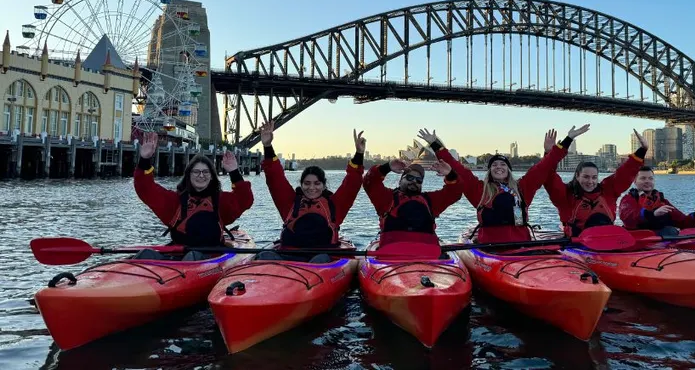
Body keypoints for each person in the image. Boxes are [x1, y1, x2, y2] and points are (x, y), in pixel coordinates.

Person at [417, 125, 590, 243]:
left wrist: (567, 139)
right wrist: (435, 144)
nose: (498, 167)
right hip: (489, 249)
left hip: (520, 246)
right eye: (494, 165)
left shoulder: (523, 187)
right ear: (489, 171)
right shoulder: (479, 190)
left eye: (502, 165)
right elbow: (457, 168)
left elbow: (545, 166)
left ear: (508, 169)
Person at [133, 132, 254, 260]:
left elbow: (245, 200)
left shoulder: (221, 201)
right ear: (188, 176)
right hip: (180, 259)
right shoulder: (175, 202)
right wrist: (144, 160)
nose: (201, 176)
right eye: (196, 172)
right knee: (145, 254)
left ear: (212, 176)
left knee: (194, 256)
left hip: (210, 258)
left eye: (205, 172)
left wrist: (234, 173)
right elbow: (145, 189)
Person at [258, 121, 366, 262]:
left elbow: (352, 183)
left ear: (323, 185)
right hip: (289, 256)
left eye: (317, 183)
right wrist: (267, 146)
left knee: (320, 260)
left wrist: (359, 154)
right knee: (264, 256)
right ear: (301, 185)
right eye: (307, 183)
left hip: (321, 258)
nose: (312, 187)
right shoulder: (290, 202)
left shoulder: (335, 205)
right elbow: (274, 178)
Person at [542, 129, 649, 237]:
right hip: (576, 244)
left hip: (606, 240)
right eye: (586, 177)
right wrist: (550, 153)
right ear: (577, 176)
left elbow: (625, 172)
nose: (590, 181)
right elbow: (549, 177)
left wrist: (643, 149)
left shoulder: (608, 191)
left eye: (594, 177)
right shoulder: (564, 195)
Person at [363, 156, 464, 248]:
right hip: (391, 255)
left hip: (427, 255)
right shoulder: (387, 198)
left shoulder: (431, 201)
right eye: (410, 177)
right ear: (400, 181)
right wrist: (387, 167)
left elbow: (455, 192)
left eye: (419, 180)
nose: (414, 181)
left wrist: (450, 174)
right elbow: (370, 182)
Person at [619, 165, 695, 236]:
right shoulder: (628, 199)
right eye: (643, 178)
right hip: (638, 239)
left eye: (650, 178)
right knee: (669, 231)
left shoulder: (662, 202)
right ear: (635, 181)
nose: (647, 181)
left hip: (660, 241)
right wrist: (653, 214)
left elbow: (684, 223)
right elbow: (628, 217)